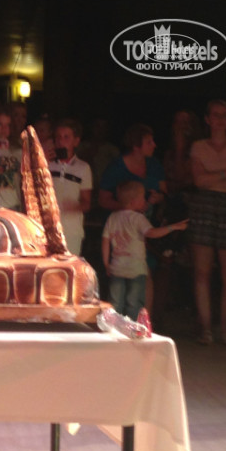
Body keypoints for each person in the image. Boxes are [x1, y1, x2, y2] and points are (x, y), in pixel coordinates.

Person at [99, 123, 167, 312]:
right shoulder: (116, 168)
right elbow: (103, 199)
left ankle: (144, 320)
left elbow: (164, 192)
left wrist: (158, 198)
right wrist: (128, 207)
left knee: (145, 274)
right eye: (149, 142)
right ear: (136, 146)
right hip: (124, 232)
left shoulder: (154, 165)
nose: (154, 145)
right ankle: (121, 320)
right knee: (122, 281)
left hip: (147, 228)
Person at [102, 181, 188, 320]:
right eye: (142, 198)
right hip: (136, 269)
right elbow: (151, 233)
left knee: (115, 302)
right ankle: (133, 327)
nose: (145, 201)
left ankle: (114, 326)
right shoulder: (138, 218)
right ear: (133, 202)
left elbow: (105, 240)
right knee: (134, 303)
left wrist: (107, 263)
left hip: (117, 267)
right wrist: (173, 227)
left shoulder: (113, 217)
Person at [189, 99, 226, 346]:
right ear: (207, 119)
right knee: (202, 271)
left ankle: (225, 329)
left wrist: (211, 176)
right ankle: (205, 328)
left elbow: (207, 178)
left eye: (225, 115)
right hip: (204, 205)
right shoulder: (198, 146)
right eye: (216, 115)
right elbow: (199, 181)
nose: (220, 120)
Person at [46, 118, 92, 255]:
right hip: (47, 228)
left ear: (76, 141)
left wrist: (74, 207)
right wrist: (43, 162)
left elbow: (86, 202)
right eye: (58, 137)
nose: (61, 141)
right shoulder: (46, 164)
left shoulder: (83, 168)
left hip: (71, 230)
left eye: (66, 137)